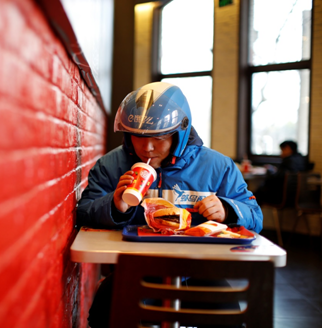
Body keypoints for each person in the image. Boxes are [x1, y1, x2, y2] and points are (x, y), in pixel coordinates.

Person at [76, 81, 263, 328]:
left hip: (199, 271)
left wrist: (228, 209)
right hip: (134, 269)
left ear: (180, 133)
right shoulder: (111, 165)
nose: (146, 148)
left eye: (158, 138)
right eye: (137, 137)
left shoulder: (218, 167)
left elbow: (256, 217)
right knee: (104, 312)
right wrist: (114, 205)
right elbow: (84, 213)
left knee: (228, 318)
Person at [254, 140, 309, 205]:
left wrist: (269, 171)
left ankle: (249, 213)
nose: (281, 153)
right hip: (299, 196)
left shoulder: (288, 160)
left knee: (256, 194)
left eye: (282, 150)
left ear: (288, 148)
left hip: (282, 196)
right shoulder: (301, 159)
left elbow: (276, 179)